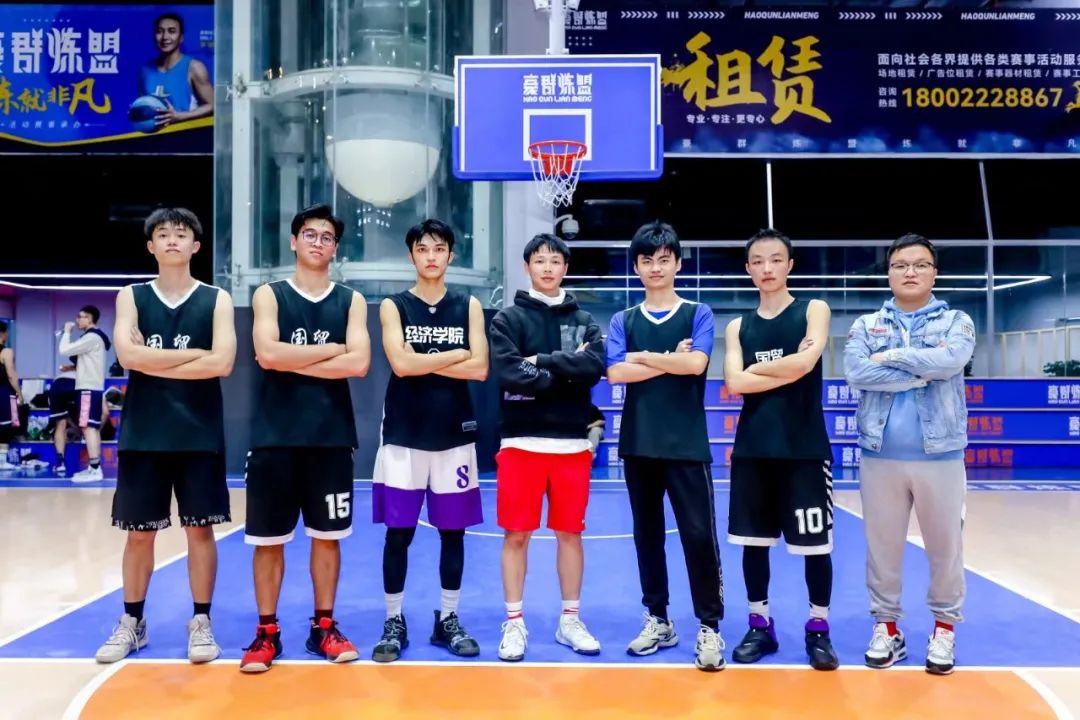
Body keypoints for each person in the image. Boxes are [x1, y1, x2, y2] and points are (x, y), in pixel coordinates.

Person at [97, 208, 235, 664]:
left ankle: (201, 622)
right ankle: (132, 622)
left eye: (181, 233)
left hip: (199, 434)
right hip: (145, 434)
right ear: (150, 246)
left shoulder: (216, 299)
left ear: (196, 246)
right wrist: (195, 355)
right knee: (138, 535)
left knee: (200, 530)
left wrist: (154, 359)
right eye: (163, 233)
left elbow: (223, 363)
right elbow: (128, 357)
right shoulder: (132, 296)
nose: (172, 239)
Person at [240, 204, 370, 674]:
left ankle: (324, 627)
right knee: (268, 541)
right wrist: (331, 350)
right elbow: (267, 354)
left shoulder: (350, 300)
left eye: (327, 237)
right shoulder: (269, 295)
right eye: (310, 234)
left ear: (336, 248)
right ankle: (266, 631)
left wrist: (293, 357)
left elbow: (359, 364)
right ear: (294, 242)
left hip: (330, 438)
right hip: (275, 438)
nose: (318, 242)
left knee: (327, 538)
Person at [844, 233, 974, 676]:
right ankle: (887, 629)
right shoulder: (867, 325)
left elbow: (951, 360)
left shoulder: (956, 321)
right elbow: (857, 371)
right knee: (882, 549)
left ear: (934, 273)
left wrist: (892, 357)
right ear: (889, 274)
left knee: (945, 548)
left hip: (941, 455)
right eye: (900, 265)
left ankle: (944, 629)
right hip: (879, 455)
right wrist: (921, 372)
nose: (910, 272)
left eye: (920, 265)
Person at [606, 221, 726, 672]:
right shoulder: (623, 320)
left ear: (677, 263)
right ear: (636, 267)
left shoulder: (698, 312)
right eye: (647, 260)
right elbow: (616, 373)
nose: (655, 267)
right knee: (647, 537)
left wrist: (644, 357)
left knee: (698, 536)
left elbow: (696, 364)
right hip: (639, 444)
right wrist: (671, 359)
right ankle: (658, 618)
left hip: (686, 445)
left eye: (663, 259)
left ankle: (709, 625)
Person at [371, 219, 488, 663]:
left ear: (451, 256)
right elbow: (401, 365)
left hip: (454, 435)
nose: (432, 256)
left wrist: (425, 359)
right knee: (398, 533)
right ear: (412, 256)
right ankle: (393, 620)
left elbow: (480, 369)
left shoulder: (468, 305)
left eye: (439, 249)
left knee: (452, 533)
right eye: (423, 249)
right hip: (404, 434)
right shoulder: (394, 305)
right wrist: (456, 354)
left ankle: (448, 619)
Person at [722, 229, 838, 671]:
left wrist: (757, 369)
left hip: (804, 449)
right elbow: (734, 383)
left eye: (775, 259)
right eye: (758, 261)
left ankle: (818, 629)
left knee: (815, 547)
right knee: (753, 543)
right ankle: (760, 625)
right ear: (748, 268)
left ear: (789, 265)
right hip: (753, 449)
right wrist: (784, 367)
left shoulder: (813, 310)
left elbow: (807, 363)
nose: (767, 268)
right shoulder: (737, 326)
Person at [490, 233, 605, 662]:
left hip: (572, 445)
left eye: (555, 261)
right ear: (528, 267)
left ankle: (569, 620)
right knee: (516, 534)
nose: (548, 267)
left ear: (565, 268)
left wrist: (540, 362)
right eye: (540, 260)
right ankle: (514, 622)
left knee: (570, 534)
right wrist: (565, 373)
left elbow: (594, 366)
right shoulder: (507, 319)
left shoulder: (585, 319)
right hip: (521, 443)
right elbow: (508, 372)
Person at [58, 305, 111, 482]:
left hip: (88, 388)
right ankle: (93, 467)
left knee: (88, 427)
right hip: (91, 387)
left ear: (89, 318)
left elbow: (64, 350)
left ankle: (95, 469)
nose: (77, 320)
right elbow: (89, 363)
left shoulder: (91, 337)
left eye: (80, 317)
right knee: (91, 427)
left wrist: (66, 332)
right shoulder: (95, 338)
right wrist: (71, 367)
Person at [140, 12, 213, 128]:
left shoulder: (194, 67)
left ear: (181, 37)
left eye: (172, 31)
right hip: (154, 137)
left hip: (184, 134)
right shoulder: (145, 71)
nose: (165, 37)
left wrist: (179, 116)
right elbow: (144, 106)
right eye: (160, 31)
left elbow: (213, 105)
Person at [48, 358, 77, 476]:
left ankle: (60, 463)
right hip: (76, 384)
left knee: (60, 424)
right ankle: (93, 464)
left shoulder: (69, 369)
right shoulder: (87, 368)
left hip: (57, 385)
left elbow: (62, 367)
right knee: (88, 424)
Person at [0, 321, 22, 471]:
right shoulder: (6, 351)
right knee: (4, 426)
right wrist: (19, 393)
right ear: (2, 333)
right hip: (3, 392)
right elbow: (11, 374)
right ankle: (1, 461)